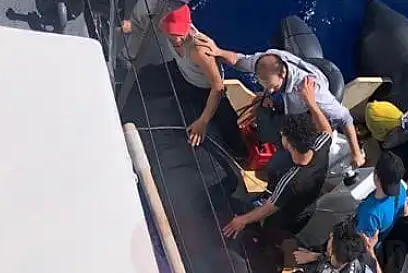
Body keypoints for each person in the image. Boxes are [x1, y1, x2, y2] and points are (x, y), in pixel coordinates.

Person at [198, 40, 364, 169]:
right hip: (288, 101)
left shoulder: (312, 90)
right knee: (263, 110)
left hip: (308, 111)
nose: (269, 90)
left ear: (283, 73)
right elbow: (239, 60)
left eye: (272, 87)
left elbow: (345, 117)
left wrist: (356, 153)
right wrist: (218, 51)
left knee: (271, 137)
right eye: (265, 86)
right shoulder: (267, 60)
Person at [223, 77, 333, 238]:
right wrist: (310, 102)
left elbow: (269, 207)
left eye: (283, 135)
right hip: (309, 206)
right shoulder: (321, 145)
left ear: (290, 144)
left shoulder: (291, 180)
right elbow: (327, 130)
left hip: (285, 216)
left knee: (270, 232)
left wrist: (242, 220)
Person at [121, 5, 224, 147]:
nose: (177, 39)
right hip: (181, 72)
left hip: (202, 90)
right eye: (172, 33)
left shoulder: (200, 51)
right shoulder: (161, 24)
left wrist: (203, 122)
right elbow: (143, 25)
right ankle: (123, 116)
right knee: (143, 75)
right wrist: (127, 26)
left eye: (180, 33)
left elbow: (218, 87)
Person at [355, 152, 408, 243]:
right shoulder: (401, 188)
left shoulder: (369, 213)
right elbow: (405, 212)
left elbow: (365, 243)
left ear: (376, 176)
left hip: (372, 237)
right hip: (385, 231)